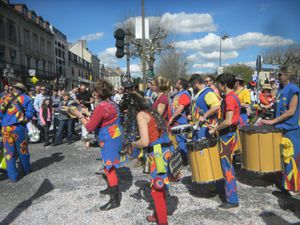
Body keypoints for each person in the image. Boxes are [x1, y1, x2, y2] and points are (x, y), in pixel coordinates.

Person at [70, 79, 124, 210]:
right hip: (115, 136)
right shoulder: (111, 103)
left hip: (108, 139)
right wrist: (88, 113)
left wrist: (79, 115)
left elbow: (89, 127)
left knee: (109, 168)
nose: (93, 93)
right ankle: (111, 188)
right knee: (109, 165)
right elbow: (102, 119)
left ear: (98, 92)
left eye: (95, 91)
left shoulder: (101, 106)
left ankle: (115, 200)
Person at [121, 92, 171, 225]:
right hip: (164, 150)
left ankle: (163, 222)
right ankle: (158, 214)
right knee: (160, 185)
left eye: (126, 110)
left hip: (158, 154)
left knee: (156, 189)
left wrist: (133, 144)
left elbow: (144, 142)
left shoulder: (141, 115)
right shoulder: (151, 111)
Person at [262, 67, 300, 194]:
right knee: (283, 158)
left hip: (291, 129)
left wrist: (273, 121)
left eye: (280, 74)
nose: (278, 76)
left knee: (291, 158)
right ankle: (285, 183)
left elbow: (291, 111)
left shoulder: (294, 89)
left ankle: (294, 187)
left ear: (287, 75)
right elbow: (276, 104)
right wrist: (266, 107)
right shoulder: (280, 89)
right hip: (281, 128)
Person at [209, 73, 240, 210]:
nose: (217, 86)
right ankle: (224, 192)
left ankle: (232, 200)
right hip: (227, 135)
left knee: (227, 168)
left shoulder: (230, 98)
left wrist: (215, 128)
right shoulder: (231, 97)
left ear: (225, 84)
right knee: (225, 166)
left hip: (228, 136)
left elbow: (228, 121)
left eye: (218, 84)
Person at [0, 82, 35, 181]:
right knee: (22, 149)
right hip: (18, 127)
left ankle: (13, 176)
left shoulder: (3, 98)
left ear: (14, 89)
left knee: (8, 152)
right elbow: (29, 114)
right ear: (23, 90)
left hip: (5, 128)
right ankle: (26, 170)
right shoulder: (27, 98)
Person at [189, 74, 220, 140]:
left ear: (196, 83)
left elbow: (216, 107)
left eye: (192, 85)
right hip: (198, 126)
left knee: (203, 149)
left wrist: (204, 116)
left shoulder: (208, 92)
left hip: (206, 126)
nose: (192, 87)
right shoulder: (198, 92)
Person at [168, 78, 191, 164]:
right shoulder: (178, 94)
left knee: (181, 141)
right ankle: (180, 158)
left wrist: (172, 117)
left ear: (181, 85)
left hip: (181, 122)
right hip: (176, 122)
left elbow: (180, 108)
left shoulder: (184, 94)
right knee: (176, 141)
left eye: (177, 83)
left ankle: (185, 160)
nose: (176, 84)